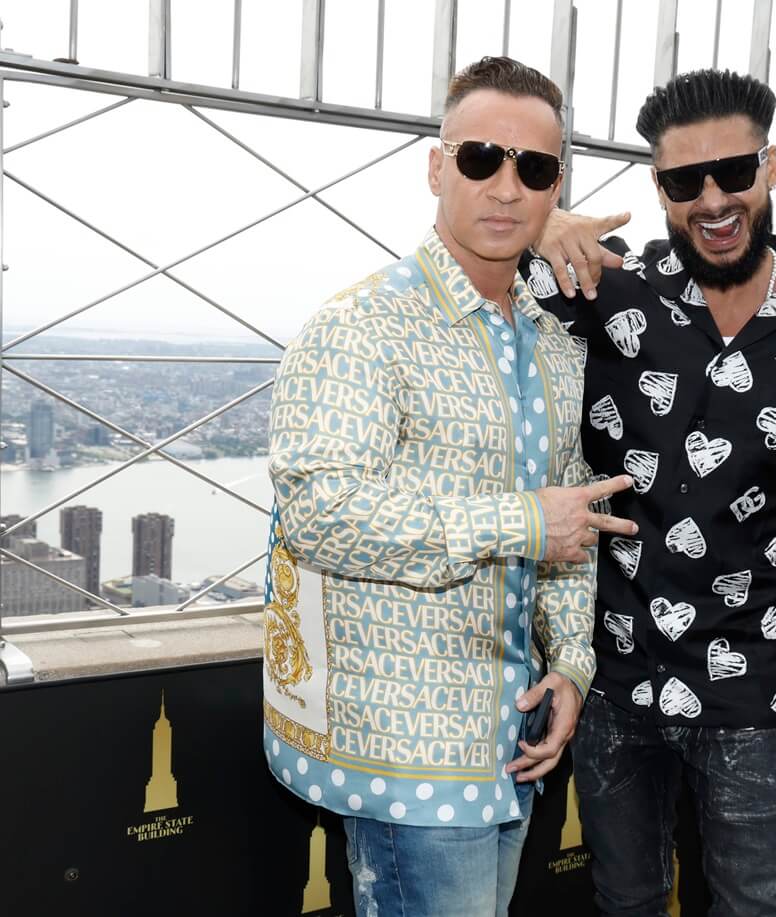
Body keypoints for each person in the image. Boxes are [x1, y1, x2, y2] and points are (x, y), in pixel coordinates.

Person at [519, 68, 776, 915]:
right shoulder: (605, 289)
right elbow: (469, 253)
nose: (711, 199)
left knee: (758, 906)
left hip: (754, 691)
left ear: (771, 168)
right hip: (608, 679)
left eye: (733, 172)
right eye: (682, 181)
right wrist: (542, 220)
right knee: (623, 900)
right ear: (659, 190)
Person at [262, 56, 637, 917]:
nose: (506, 187)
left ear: (555, 192)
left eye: (534, 169)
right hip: (407, 757)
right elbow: (320, 512)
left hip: (512, 736)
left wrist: (573, 665)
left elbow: (573, 523)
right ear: (437, 167)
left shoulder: (554, 345)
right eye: (481, 159)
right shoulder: (362, 326)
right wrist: (519, 521)